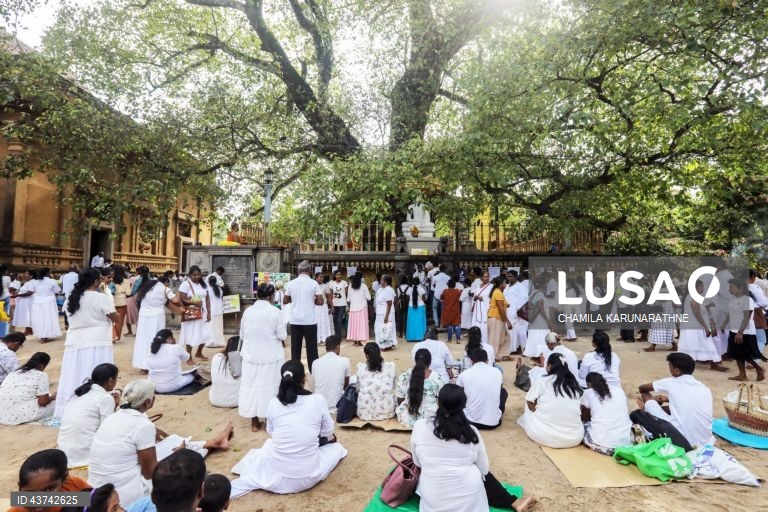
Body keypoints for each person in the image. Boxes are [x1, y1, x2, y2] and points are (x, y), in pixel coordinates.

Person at [89, 379, 233, 505]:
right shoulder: (143, 425)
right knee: (182, 457)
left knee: (173, 441)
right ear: (148, 402)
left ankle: (214, 442)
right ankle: (214, 443)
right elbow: (149, 473)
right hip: (124, 493)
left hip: (94, 490)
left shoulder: (113, 417)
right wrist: (177, 457)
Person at [230, 360, 348, 498]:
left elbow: (271, 432)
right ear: (304, 380)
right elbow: (327, 431)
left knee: (268, 445)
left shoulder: (273, 402)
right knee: (338, 448)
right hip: (307, 477)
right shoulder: (318, 400)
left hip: (277, 470)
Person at [410, 384, 535, 512]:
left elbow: (417, 462)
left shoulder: (420, 426)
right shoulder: (471, 433)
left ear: (438, 401)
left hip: (433, 500)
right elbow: (484, 470)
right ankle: (513, 502)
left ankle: (513, 502)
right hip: (468, 504)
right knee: (476, 471)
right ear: (464, 405)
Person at [55, 268, 118, 417]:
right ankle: (95, 407)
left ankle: (71, 405)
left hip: (76, 339)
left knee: (75, 370)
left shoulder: (71, 297)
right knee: (97, 370)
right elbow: (115, 317)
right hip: (97, 339)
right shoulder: (101, 298)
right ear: (96, 282)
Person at [636, 352, 715, 448]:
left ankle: (646, 409)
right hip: (705, 442)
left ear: (677, 371)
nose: (669, 370)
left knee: (645, 395)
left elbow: (642, 388)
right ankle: (651, 408)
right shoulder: (704, 388)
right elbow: (687, 401)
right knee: (678, 408)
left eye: (670, 367)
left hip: (681, 440)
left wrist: (654, 399)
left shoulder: (670, 382)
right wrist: (666, 399)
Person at [240, 282, 288, 431]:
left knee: (251, 386)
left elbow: (242, 335)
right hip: (271, 356)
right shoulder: (276, 312)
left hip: (251, 356)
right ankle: (268, 419)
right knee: (271, 387)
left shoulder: (248, 312)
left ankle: (254, 422)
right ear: (271, 296)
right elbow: (282, 335)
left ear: (257, 295)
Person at [57, 363, 120, 467]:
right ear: (110, 381)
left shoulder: (80, 393)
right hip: (84, 454)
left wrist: (113, 407)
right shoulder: (105, 398)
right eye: (117, 379)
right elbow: (107, 429)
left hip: (65, 451)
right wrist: (115, 408)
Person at [517, 352, 584, 448]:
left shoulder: (542, 381)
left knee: (529, 401)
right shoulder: (574, 383)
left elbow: (530, 404)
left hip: (544, 436)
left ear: (549, 366)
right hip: (574, 438)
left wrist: (540, 412)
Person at [8, 449, 91, 512]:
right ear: (20, 489)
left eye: (48, 490)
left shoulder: (74, 485)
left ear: (64, 479)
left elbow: (94, 501)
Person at [133, 275, 181, 372]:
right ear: (166, 282)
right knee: (156, 338)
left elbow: (138, 298)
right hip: (157, 317)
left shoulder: (147, 287)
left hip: (144, 316)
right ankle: (154, 364)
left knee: (143, 339)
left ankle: (142, 366)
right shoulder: (165, 288)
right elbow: (176, 300)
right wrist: (178, 292)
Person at [721, 278, 767, 381]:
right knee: (737, 354)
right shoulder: (733, 299)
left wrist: (740, 332)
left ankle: (759, 369)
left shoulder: (747, 300)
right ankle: (742, 375)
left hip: (746, 332)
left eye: (732, 287)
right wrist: (724, 324)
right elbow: (730, 313)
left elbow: (747, 317)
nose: (730, 289)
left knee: (746, 354)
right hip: (734, 330)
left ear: (741, 288)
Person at [678, 280, 727, 371]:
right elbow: (697, 313)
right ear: (696, 288)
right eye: (701, 286)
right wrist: (705, 327)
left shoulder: (691, 297)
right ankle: (713, 363)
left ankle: (713, 363)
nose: (703, 288)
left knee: (700, 345)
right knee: (703, 344)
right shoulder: (693, 298)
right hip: (695, 327)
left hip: (693, 326)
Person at [284, 260, 324, 372]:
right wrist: (311, 300)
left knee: (295, 349)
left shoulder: (291, 283)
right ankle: (314, 372)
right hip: (309, 321)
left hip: (295, 321)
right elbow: (320, 301)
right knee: (312, 349)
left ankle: (296, 372)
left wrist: (296, 299)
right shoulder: (313, 283)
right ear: (309, 271)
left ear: (298, 271)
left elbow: (285, 300)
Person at [581, 372, 632, 455]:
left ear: (588, 384)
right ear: (604, 381)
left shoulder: (588, 392)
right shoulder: (619, 390)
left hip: (603, 445)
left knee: (581, 426)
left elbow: (584, 418)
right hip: (626, 442)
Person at [0, 352, 56, 425]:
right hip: (19, 415)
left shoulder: (13, 373)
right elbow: (43, 402)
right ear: (42, 366)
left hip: (2, 413)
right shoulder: (41, 375)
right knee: (57, 403)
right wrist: (52, 397)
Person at [457, 348, 506, 429]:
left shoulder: (464, 374)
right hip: (493, 423)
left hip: (470, 421)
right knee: (503, 392)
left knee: (462, 392)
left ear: (471, 361)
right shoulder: (497, 372)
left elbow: (458, 393)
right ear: (487, 360)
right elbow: (499, 389)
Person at [396, 348, 444, 428]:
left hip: (407, 418)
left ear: (415, 360)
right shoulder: (438, 378)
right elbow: (441, 401)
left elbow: (400, 398)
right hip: (430, 419)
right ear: (430, 362)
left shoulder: (405, 375)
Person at [178, 266, 211, 363]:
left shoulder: (204, 284)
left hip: (203, 312)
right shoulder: (186, 284)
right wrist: (194, 302)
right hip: (192, 313)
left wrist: (209, 312)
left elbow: (207, 299)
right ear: (190, 275)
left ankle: (199, 352)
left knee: (205, 334)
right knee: (190, 334)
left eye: (198, 274)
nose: (197, 277)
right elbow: (181, 299)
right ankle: (189, 357)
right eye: (194, 275)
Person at [356, 342, 396, 420]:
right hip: (387, 412)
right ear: (379, 353)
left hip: (364, 413)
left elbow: (358, 389)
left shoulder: (360, 368)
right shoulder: (391, 367)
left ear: (366, 356)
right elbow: (394, 387)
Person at [147, 329, 194, 393]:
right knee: (191, 376)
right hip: (170, 387)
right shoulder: (176, 348)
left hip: (152, 386)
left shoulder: (152, 350)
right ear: (169, 339)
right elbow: (187, 357)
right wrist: (175, 346)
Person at [312, 334, 350, 413]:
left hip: (319, 405)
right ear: (337, 347)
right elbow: (346, 384)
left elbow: (316, 382)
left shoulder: (315, 362)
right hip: (337, 404)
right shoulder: (345, 361)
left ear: (326, 348)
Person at [30, 267, 62, 342]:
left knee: (40, 319)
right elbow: (58, 290)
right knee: (48, 318)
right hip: (49, 302)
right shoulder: (52, 281)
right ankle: (45, 335)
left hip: (38, 302)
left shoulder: (35, 282)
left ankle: (42, 335)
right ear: (47, 273)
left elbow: (32, 290)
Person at [209, 336, 241, 408]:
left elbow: (217, 353)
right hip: (235, 402)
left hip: (214, 400)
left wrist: (226, 349)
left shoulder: (216, 358)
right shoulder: (243, 363)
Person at [523, 277, 552, 358]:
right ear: (543, 284)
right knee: (541, 335)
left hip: (534, 320)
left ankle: (531, 351)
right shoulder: (540, 294)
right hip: (540, 320)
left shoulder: (532, 294)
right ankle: (540, 352)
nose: (546, 286)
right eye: (546, 284)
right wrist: (548, 321)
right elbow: (541, 308)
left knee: (534, 335)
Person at [487, 277, 513, 362]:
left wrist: (506, 305)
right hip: (496, 318)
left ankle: (502, 355)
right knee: (495, 339)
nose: (506, 284)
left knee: (506, 338)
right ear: (500, 284)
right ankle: (492, 357)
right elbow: (501, 309)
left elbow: (501, 305)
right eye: (505, 282)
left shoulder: (498, 292)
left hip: (498, 318)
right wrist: (508, 322)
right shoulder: (498, 293)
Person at [346, 272, 371, 346]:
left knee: (354, 325)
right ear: (361, 278)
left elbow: (348, 299)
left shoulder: (350, 286)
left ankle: (355, 341)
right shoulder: (364, 286)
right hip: (362, 308)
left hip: (353, 308)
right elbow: (369, 298)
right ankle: (359, 341)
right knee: (361, 325)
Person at [374, 274, 398, 349]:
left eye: (382, 280)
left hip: (386, 313)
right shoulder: (380, 290)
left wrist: (386, 316)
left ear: (386, 282)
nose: (380, 281)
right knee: (379, 328)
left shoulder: (389, 290)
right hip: (379, 313)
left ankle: (387, 346)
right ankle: (381, 344)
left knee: (386, 329)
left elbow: (389, 304)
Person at [470, 270, 493, 345]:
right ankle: (476, 342)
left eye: (487, 276)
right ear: (481, 278)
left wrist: (483, 298)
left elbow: (492, 298)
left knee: (484, 326)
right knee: (476, 325)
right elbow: (474, 296)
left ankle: (485, 343)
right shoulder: (478, 286)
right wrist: (475, 297)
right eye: (484, 276)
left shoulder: (491, 286)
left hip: (485, 309)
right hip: (477, 309)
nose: (486, 278)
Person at [205, 275, 226, 348]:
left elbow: (207, 301)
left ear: (209, 282)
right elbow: (222, 299)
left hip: (212, 310)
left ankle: (212, 342)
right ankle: (220, 342)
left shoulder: (208, 290)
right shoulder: (219, 289)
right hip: (219, 310)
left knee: (211, 326)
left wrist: (207, 311)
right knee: (219, 327)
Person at [11, 270, 35, 335]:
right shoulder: (28, 282)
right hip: (25, 302)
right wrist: (16, 293)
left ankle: (27, 330)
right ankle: (30, 330)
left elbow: (30, 293)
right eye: (25, 273)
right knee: (27, 315)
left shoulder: (32, 282)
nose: (24, 275)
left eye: (26, 274)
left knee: (28, 315)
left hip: (29, 302)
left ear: (31, 276)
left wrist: (17, 295)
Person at [405, 276, 428, 342]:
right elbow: (424, 299)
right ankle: (421, 337)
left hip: (411, 307)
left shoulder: (409, 289)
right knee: (420, 322)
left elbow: (407, 298)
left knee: (411, 322)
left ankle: (411, 337)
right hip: (420, 306)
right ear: (419, 282)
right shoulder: (421, 289)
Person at [112, 265, 132, 342]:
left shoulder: (110, 280)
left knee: (110, 321)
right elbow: (128, 293)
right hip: (122, 302)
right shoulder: (126, 281)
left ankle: (112, 336)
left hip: (111, 302)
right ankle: (117, 337)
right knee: (119, 321)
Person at [441, 278, 462, 343]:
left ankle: (449, 339)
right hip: (455, 310)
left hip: (447, 310)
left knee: (449, 325)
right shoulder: (457, 291)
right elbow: (460, 297)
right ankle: (458, 339)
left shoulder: (445, 291)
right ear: (455, 285)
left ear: (448, 285)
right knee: (457, 325)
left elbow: (442, 297)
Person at [314, 272, 333, 343]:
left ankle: (324, 338)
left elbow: (329, 297)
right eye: (320, 277)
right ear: (316, 278)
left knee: (323, 322)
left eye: (322, 277)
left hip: (323, 307)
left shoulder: (325, 286)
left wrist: (332, 307)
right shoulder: (313, 285)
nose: (322, 278)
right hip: (314, 308)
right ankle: (316, 338)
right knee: (316, 323)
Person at [329, 270, 348, 338]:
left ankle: (338, 336)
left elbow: (346, 294)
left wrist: (347, 303)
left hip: (342, 304)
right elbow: (331, 295)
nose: (339, 276)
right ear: (335, 276)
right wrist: (331, 305)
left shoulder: (344, 283)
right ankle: (336, 334)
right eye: (337, 275)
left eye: (340, 274)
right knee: (335, 320)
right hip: (334, 304)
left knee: (339, 320)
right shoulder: (332, 283)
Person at [396, 274, 410, 338]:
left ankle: (400, 333)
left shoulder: (398, 288)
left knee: (400, 318)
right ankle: (406, 332)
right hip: (407, 304)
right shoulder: (409, 288)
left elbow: (398, 296)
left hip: (400, 303)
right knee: (407, 318)